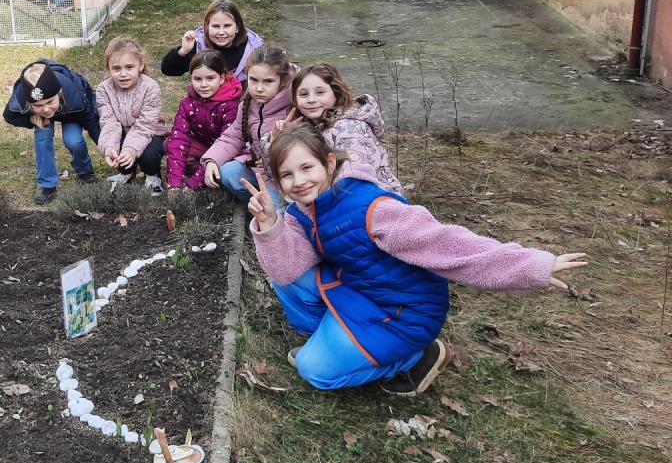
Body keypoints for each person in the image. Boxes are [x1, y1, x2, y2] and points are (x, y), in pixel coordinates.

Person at [243, 125, 588, 396]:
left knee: (314, 371)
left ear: (329, 163)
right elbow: (286, 268)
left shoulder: (374, 210)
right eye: (287, 175)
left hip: (404, 312)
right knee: (289, 278)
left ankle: (415, 356)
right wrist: (270, 225)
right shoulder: (304, 211)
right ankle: (332, 340)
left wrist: (531, 266)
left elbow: (453, 247)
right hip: (364, 294)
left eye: (307, 167)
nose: (299, 181)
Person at [276, 62, 402, 194]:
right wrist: (278, 140)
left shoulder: (350, 128)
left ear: (336, 93)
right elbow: (281, 172)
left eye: (320, 92)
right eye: (303, 94)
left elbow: (355, 178)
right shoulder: (307, 127)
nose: (311, 99)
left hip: (370, 201)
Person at [201, 44, 295, 203]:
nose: (259, 88)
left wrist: (269, 163)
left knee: (276, 210)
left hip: (286, 176)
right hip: (258, 168)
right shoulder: (249, 104)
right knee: (227, 173)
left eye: (268, 82)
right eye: (253, 80)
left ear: (283, 81)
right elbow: (233, 136)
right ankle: (258, 202)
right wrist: (212, 160)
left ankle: (279, 208)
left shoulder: (294, 106)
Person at [4, 59, 100, 205]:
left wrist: (106, 146)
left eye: (49, 102)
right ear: (29, 103)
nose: (46, 109)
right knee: (42, 137)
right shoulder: (21, 96)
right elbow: (10, 116)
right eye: (38, 105)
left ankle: (85, 172)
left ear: (59, 93)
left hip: (70, 111)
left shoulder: (75, 94)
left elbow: (91, 121)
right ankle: (47, 185)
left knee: (73, 140)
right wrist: (32, 120)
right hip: (40, 118)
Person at [96, 36, 168, 195]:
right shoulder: (103, 89)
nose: (123, 74)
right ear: (108, 69)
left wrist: (131, 150)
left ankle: (153, 175)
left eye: (129, 67)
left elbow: (145, 125)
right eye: (116, 68)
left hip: (150, 131)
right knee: (117, 146)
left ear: (141, 65)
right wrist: (109, 148)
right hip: (121, 130)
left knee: (148, 154)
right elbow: (108, 121)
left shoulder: (151, 88)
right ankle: (126, 173)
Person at [164, 50, 242, 190]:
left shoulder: (231, 106)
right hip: (203, 146)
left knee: (227, 166)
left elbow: (228, 145)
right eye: (198, 79)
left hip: (226, 151)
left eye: (210, 78)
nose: (203, 84)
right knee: (170, 142)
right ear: (191, 78)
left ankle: (206, 180)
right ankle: (198, 176)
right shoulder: (187, 103)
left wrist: (192, 186)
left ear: (222, 78)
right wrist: (174, 184)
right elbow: (179, 138)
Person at [160, 0, 265, 82]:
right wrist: (183, 51)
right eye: (216, 26)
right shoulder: (199, 46)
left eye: (227, 26)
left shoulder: (252, 49)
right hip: (204, 105)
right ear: (206, 26)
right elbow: (168, 70)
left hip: (240, 105)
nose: (221, 32)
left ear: (237, 27)